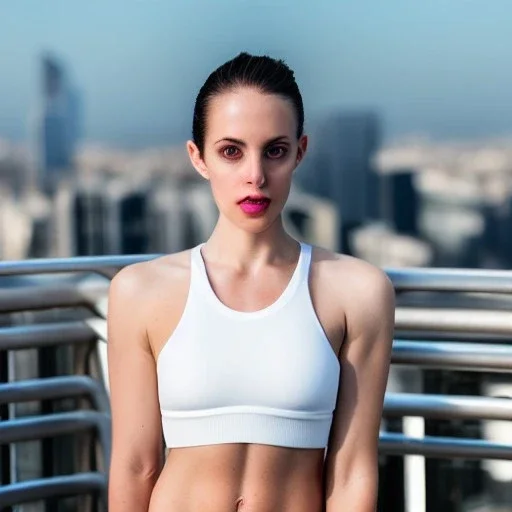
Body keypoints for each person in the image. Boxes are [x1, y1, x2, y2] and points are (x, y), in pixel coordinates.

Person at [107, 51, 395, 512]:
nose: (255, 176)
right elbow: (135, 467)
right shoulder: (140, 291)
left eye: (275, 151)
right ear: (198, 158)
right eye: (231, 151)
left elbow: (352, 472)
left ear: (300, 152)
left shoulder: (357, 292)